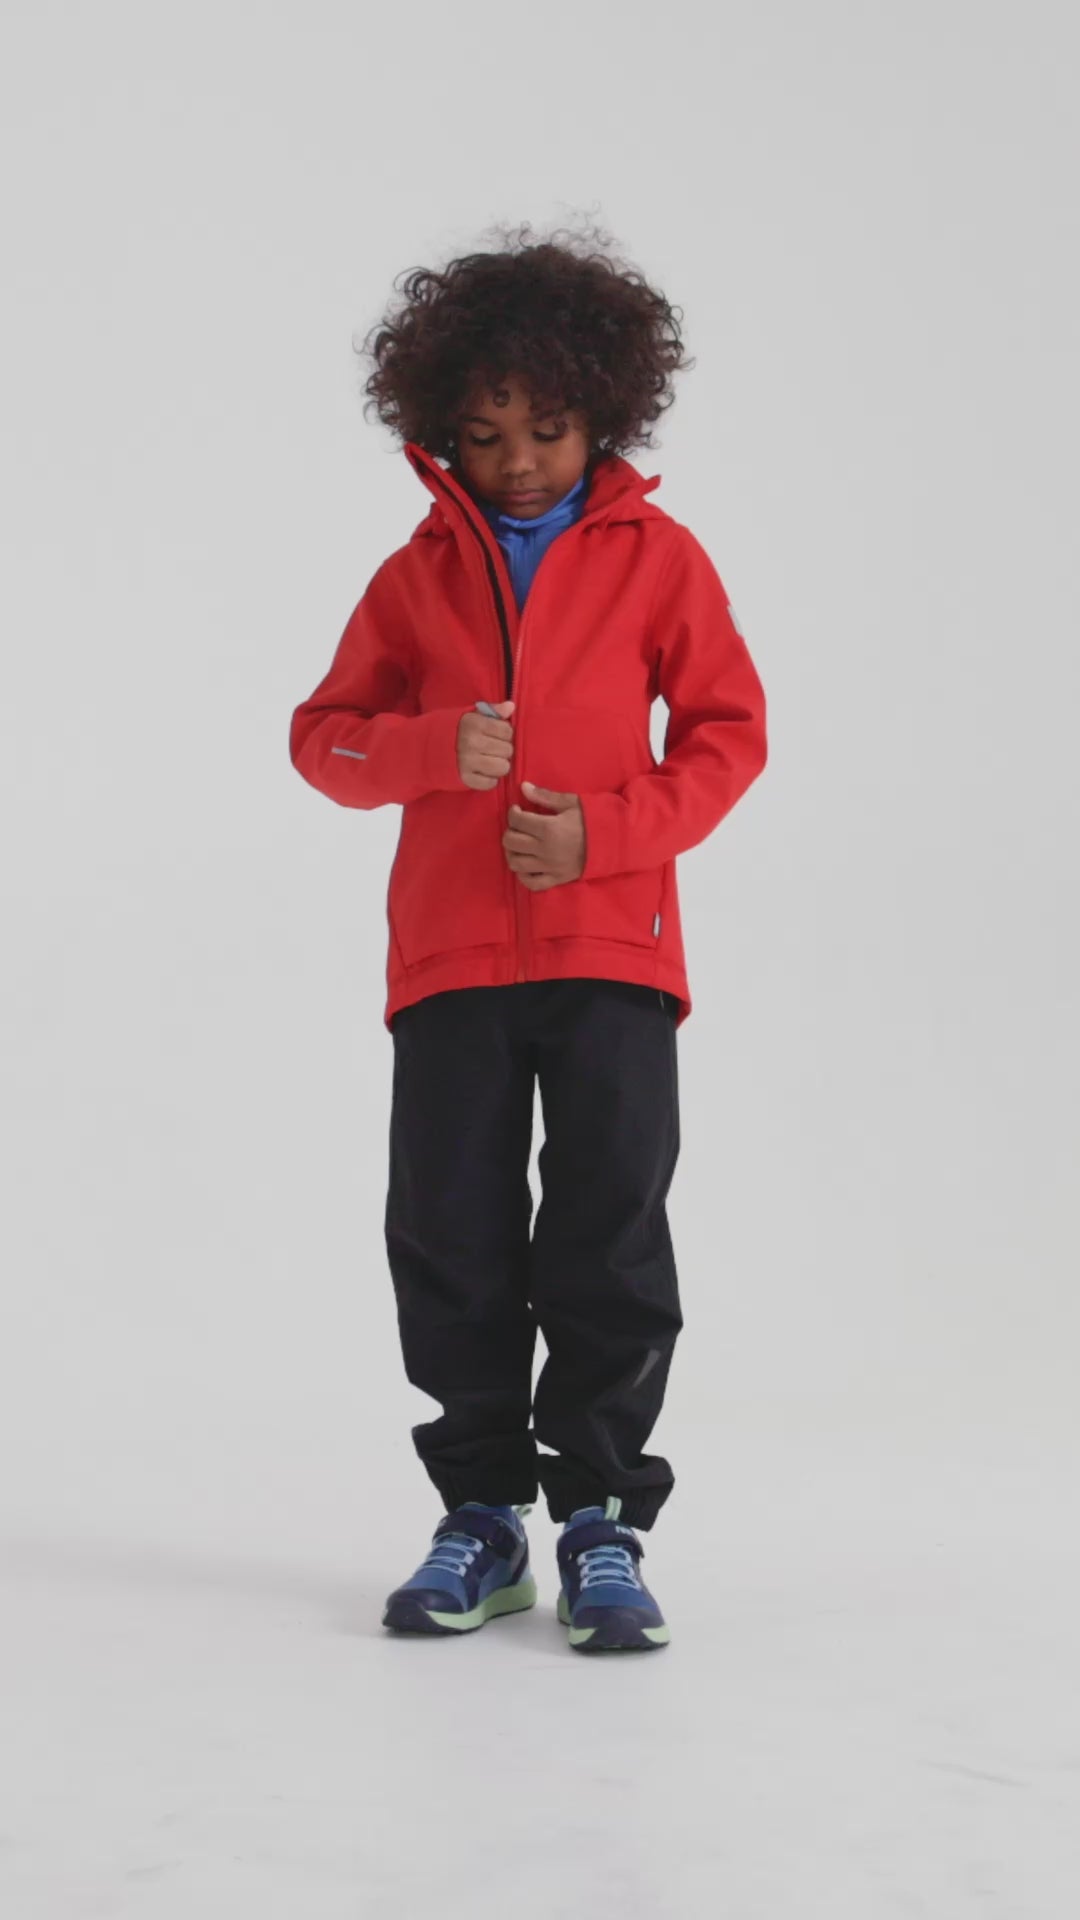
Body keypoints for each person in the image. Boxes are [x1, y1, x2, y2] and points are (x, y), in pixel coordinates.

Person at [289, 220, 768, 1653]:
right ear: (441, 427)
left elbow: (730, 737)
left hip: (614, 954)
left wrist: (603, 836)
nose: (516, 464)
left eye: (547, 431)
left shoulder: (659, 561)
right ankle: (486, 1516)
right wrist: (431, 748)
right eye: (486, 436)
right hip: (448, 966)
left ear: (600, 413)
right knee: (451, 1232)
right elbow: (323, 739)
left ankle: (603, 1519)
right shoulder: (412, 578)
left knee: (608, 1237)